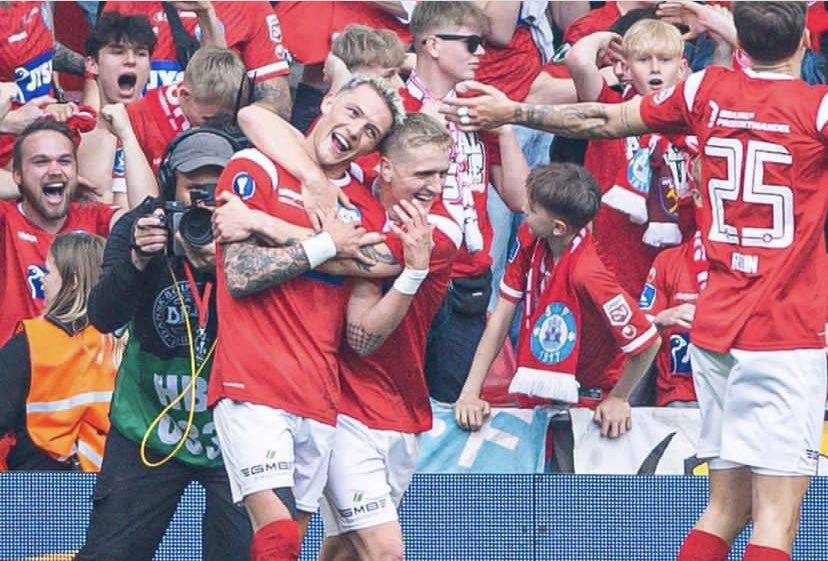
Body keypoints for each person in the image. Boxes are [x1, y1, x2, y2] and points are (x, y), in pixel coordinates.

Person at [441, 3, 828, 560]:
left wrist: (514, 111)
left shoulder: (706, 93)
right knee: (777, 517)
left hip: (717, 331)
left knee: (724, 508)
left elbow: (602, 119)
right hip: (783, 334)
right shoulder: (814, 110)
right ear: (805, 43)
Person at [208, 75, 404, 561]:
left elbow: (371, 261)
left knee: (288, 545)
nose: (356, 130)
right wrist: (323, 243)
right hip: (250, 381)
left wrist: (265, 225)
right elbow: (241, 274)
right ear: (330, 100)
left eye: (371, 131)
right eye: (353, 112)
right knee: (275, 533)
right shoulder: (257, 165)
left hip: (318, 394)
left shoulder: (361, 207)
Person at [77, 126, 251, 561]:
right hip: (147, 428)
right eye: (194, 188)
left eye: (217, 188)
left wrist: (229, 262)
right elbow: (102, 317)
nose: (204, 202)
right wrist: (137, 261)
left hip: (232, 438)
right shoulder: (141, 227)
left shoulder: (252, 232)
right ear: (170, 181)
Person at [316, 114, 459, 561]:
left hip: (401, 412)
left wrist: (414, 270)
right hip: (344, 412)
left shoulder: (441, 234)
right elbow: (360, 339)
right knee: (385, 552)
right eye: (423, 173)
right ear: (386, 168)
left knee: (345, 551)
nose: (434, 186)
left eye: (442, 172)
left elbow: (363, 333)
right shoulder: (352, 198)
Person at [454, 163, 659, 438]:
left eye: (533, 208)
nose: (524, 210)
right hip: (537, 396)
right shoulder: (530, 237)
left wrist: (620, 398)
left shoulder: (590, 275)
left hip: (588, 404)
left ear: (559, 228)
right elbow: (502, 315)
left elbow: (648, 343)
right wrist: (470, 391)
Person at [0, 120, 124, 346]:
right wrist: (7, 124)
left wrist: (127, 134)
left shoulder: (94, 216)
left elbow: (146, 223)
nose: (55, 170)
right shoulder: (6, 218)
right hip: (17, 369)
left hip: (82, 370)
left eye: (65, 161)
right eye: (41, 162)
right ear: (16, 174)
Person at [0, 231, 115, 471]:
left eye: (49, 271)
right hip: (116, 484)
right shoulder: (127, 340)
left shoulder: (30, 343)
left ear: (72, 281)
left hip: (38, 487)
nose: (42, 279)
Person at [100, 0, 291, 117]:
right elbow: (97, 85)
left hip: (208, 148)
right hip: (135, 141)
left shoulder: (251, 6)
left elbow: (277, 105)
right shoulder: (125, 3)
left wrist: (205, 13)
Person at [125, 46, 248, 174]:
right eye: (208, 119)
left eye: (227, 120)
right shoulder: (139, 117)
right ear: (184, 95)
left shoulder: (239, 107)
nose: (217, 128)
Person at [76, 11, 156, 205]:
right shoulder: (74, 135)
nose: (131, 60)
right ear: (92, 64)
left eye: (140, 53)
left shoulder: (165, 131)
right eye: (118, 52)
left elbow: (149, 209)